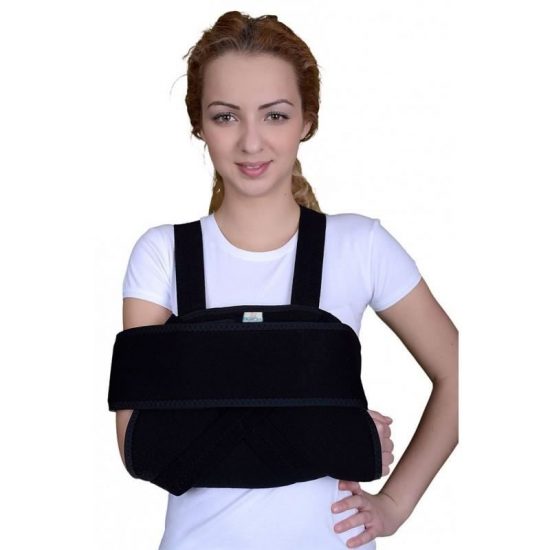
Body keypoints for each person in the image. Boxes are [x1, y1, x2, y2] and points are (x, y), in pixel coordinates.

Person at [115, 11, 458, 550]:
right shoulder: (162, 254)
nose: (251, 143)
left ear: (307, 121)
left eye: (274, 115)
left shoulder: (361, 245)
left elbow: (465, 374)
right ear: (199, 124)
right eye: (226, 117)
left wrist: (395, 504)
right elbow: (143, 448)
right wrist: (331, 431)